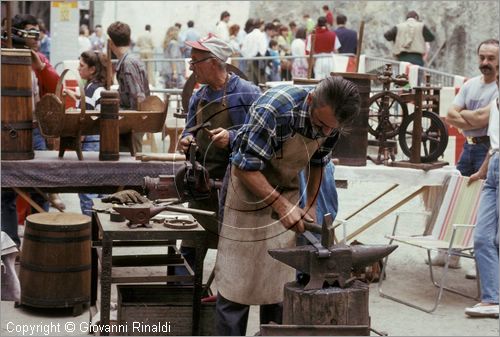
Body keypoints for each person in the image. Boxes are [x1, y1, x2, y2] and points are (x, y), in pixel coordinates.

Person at [215, 76, 360, 335]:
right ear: (311, 100)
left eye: (331, 128)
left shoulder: (332, 120)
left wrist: (311, 206)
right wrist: (282, 206)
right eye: (320, 124)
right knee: (236, 289)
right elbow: (244, 167)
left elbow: (318, 161)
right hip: (246, 195)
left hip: (287, 191)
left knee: (278, 289)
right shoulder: (273, 109)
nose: (325, 132)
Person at [178, 35, 261, 268]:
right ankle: (184, 296)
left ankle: (228, 296)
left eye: (195, 60)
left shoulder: (246, 93)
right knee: (190, 247)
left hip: (235, 186)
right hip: (202, 187)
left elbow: (262, 138)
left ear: (213, 62)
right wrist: (186, 139)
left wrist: (232, 137)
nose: (191, 65)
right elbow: (188, 130)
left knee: (233, 249)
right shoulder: (199, 96)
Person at [439, 39, 499, 275]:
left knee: (484, 207)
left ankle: (481, 263)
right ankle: (452, 255)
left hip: (488, 149)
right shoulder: (470, 84)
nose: (485, 63)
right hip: (469, 147)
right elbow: (449, 114)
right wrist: (471, 118)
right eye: (482, 57)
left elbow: (482, 119)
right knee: (459, 197)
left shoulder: (498, 87)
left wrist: (464, 116)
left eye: (491, 58)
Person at [1, 14, 61, 246]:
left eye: (39, 33)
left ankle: (40, 243)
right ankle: (9, 246)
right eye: (32, 33)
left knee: (40, 186)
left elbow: (55, 85)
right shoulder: (5, 55)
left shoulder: (39, 57)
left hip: (34, 130)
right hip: (5, 132)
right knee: (6, 192)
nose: (38, 38)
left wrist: (41, 66)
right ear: (18, 34)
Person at [460, 93, 499, 317]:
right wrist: (483, 169)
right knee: (482, 237)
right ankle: (492, 299)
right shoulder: (494, 104)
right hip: (493, 167)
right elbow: (495, 145)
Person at [64, 50, 108, 216]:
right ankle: (99, 232)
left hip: (91, 145)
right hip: (98, 144)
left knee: (88, 191)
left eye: (82, 65)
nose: (78, 68)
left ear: (92, 70)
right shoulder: (94, 88)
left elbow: (87, 122)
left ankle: (91, 234)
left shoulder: (92, 90)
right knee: (100, 193)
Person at [107, 21, 150, 153]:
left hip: (132, 125)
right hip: (133, 124)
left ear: (111, 42)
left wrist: (132, 124)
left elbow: (138, 97)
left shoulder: (128, 63)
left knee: (132, 162)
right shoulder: (131, 59)